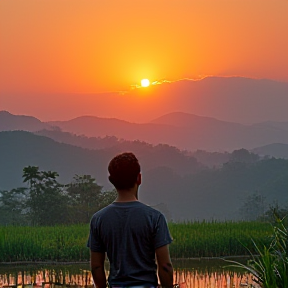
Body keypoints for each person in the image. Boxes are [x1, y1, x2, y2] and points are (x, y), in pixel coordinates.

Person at [87, 152, 173, 288]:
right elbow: (165, 266)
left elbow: (96, 267)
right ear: (139, 178)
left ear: (111, 180)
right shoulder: (155, 218)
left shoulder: (99, 219)